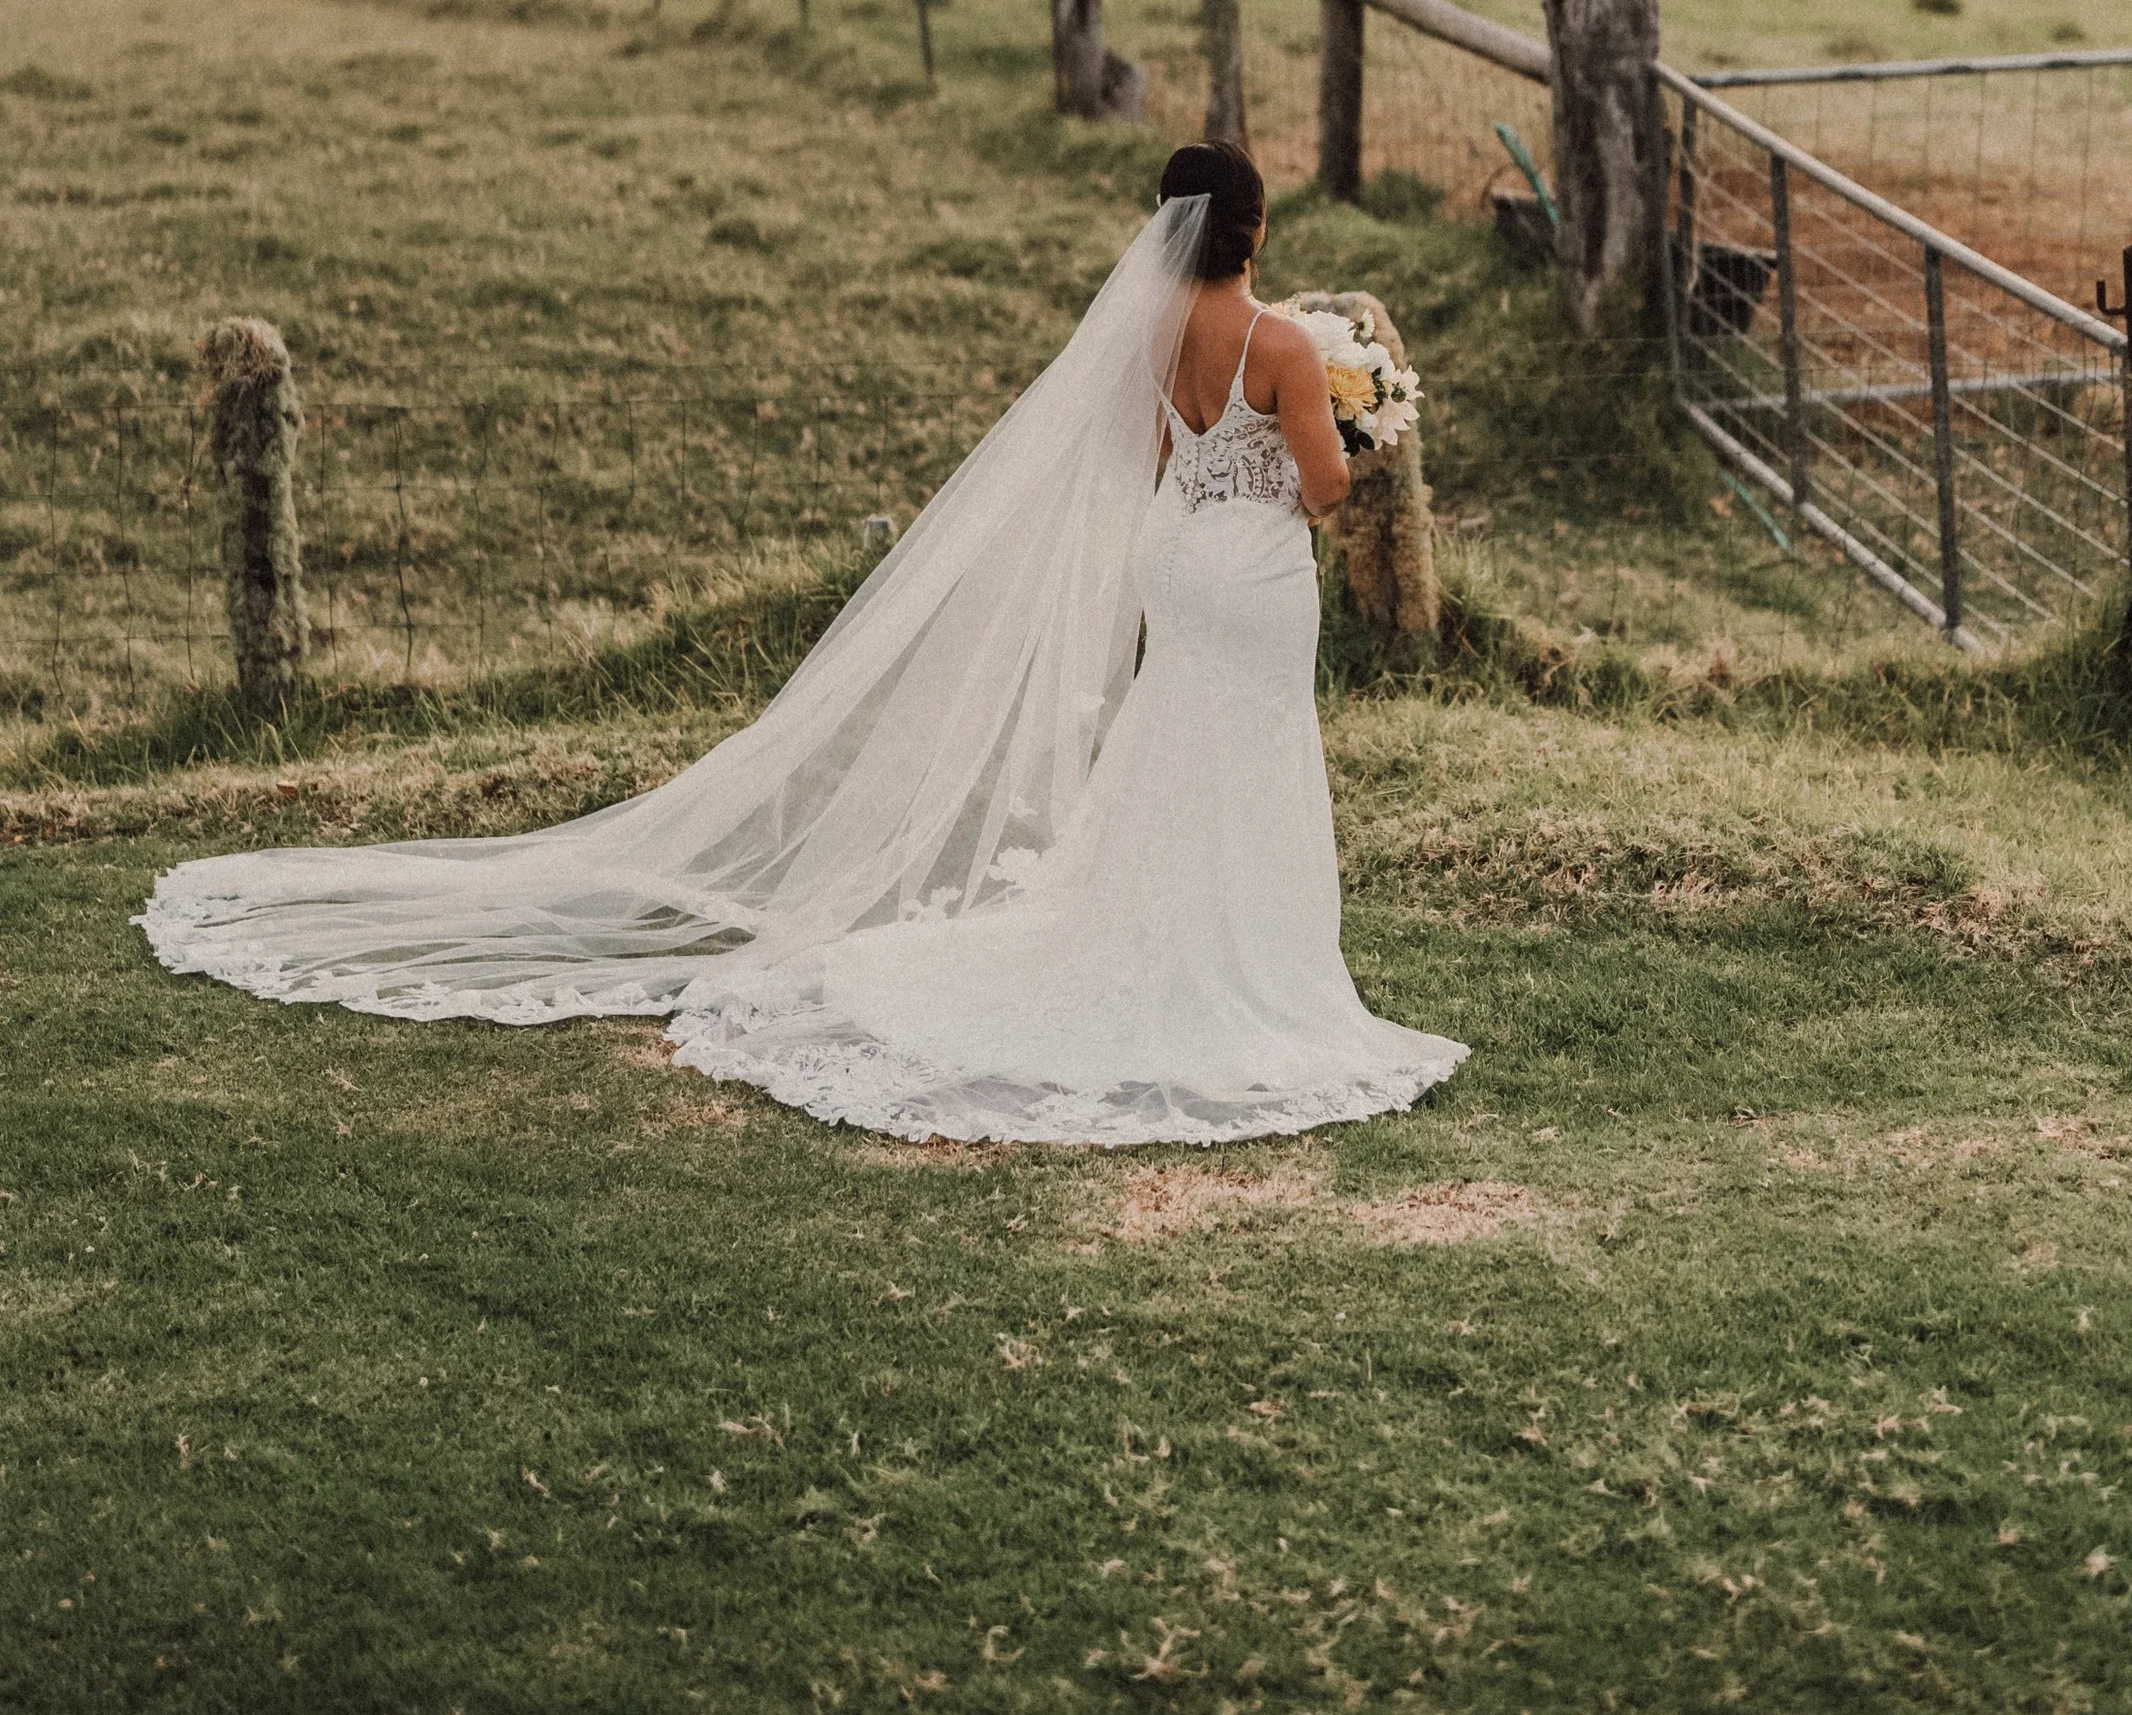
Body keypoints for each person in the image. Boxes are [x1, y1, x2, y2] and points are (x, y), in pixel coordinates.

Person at [142, 142, 1466, 1147]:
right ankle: (1242, 962)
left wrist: (1239, 464)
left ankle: (1159, 932)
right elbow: (1322, 489)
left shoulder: (1155, 334)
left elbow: (1158, 453)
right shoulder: (1284, 339)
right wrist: (1365, 426)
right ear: (1257, 228)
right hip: (1246, 573)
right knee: (1244, 750)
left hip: (1172, 560)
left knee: (1173, 737)